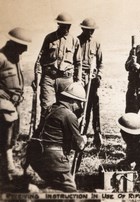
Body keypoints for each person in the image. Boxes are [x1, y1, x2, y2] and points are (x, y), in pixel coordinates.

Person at [27, 82, 87, 192]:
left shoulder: (50, 109)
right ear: (73, 101)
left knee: (55, 184)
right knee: (70, 191)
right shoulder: (69, 115)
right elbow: (79, 146)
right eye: (79, 103)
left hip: (35, 156)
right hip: (54, 159)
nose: (80, 106)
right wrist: (84, 139)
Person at [34, 12, 82, 123]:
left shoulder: (75, 41)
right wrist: (37, 77)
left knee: (67, 109)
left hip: (66, 80)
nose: (66, 28)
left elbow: (78, 63)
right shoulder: (49, 38)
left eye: (68, 26)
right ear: (58, 24)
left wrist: (79, 81)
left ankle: (63, 136)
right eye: (63, 25)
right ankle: (44, 136)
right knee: (47, 108)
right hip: (49, 78)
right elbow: (40, 59)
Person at [0, 27, 32, 183]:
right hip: (4, 105)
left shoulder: (15, 57)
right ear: (14, 43)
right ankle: (8, 169)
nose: (25, 49)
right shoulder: (1, 57)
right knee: (5, 137)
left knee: (13, 136)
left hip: (15, 103)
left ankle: (7, 166)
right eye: (22, 46)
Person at [77, 18, 103, 149]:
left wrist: (98, 76)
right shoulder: (76, 41)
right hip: (79, 80)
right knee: (80, 109)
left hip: (92, 81)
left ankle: (97, 133)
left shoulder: (96, 43)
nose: (91, 33)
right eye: (88, 30)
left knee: (94, 106)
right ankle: (80, 134)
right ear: (83, 29)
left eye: (92, 30)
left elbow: (101, 63)